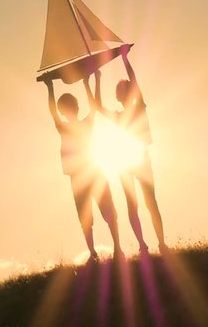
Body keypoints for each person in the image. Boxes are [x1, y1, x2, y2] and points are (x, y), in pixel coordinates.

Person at [93, 44, 167, 253]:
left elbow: (134, 82)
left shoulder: (139, 107)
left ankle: (159, 243)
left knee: (148, 202)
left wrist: (124, 59)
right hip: (127, 161)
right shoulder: (123, 114)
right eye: (122, 92)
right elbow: (98, 106)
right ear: (118, 97)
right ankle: (145, 244)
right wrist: (96, 79)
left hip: (138, 159)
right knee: (136, 204)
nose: (125, 94)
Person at [45, 72, 123, 261]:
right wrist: (50, 87)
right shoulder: (64, 127)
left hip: (94, 172)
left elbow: (93, 107)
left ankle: (117, 248)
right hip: (80, 177)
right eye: (66, 108)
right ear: (66, 110)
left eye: (71, 106)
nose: (69, 110)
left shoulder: (85, 123)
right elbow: (53, 111)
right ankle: (93, 252)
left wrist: (92, 81)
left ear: (76, 108)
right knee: (86, 216)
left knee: (108, 212)